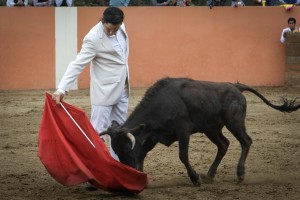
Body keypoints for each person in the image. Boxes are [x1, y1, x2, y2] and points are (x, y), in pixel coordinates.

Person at [52, 7, 130, 163]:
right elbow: (77, 64)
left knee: (120, 130)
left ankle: (120, 167)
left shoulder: (121, 28)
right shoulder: (92, 38)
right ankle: (96, 170)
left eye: (114, 29)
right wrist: (62, 88)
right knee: (98, 132)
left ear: (121, 23)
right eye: (108, 29)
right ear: (103, 21)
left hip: (123, 87)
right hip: (103, 92)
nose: (111, 33)